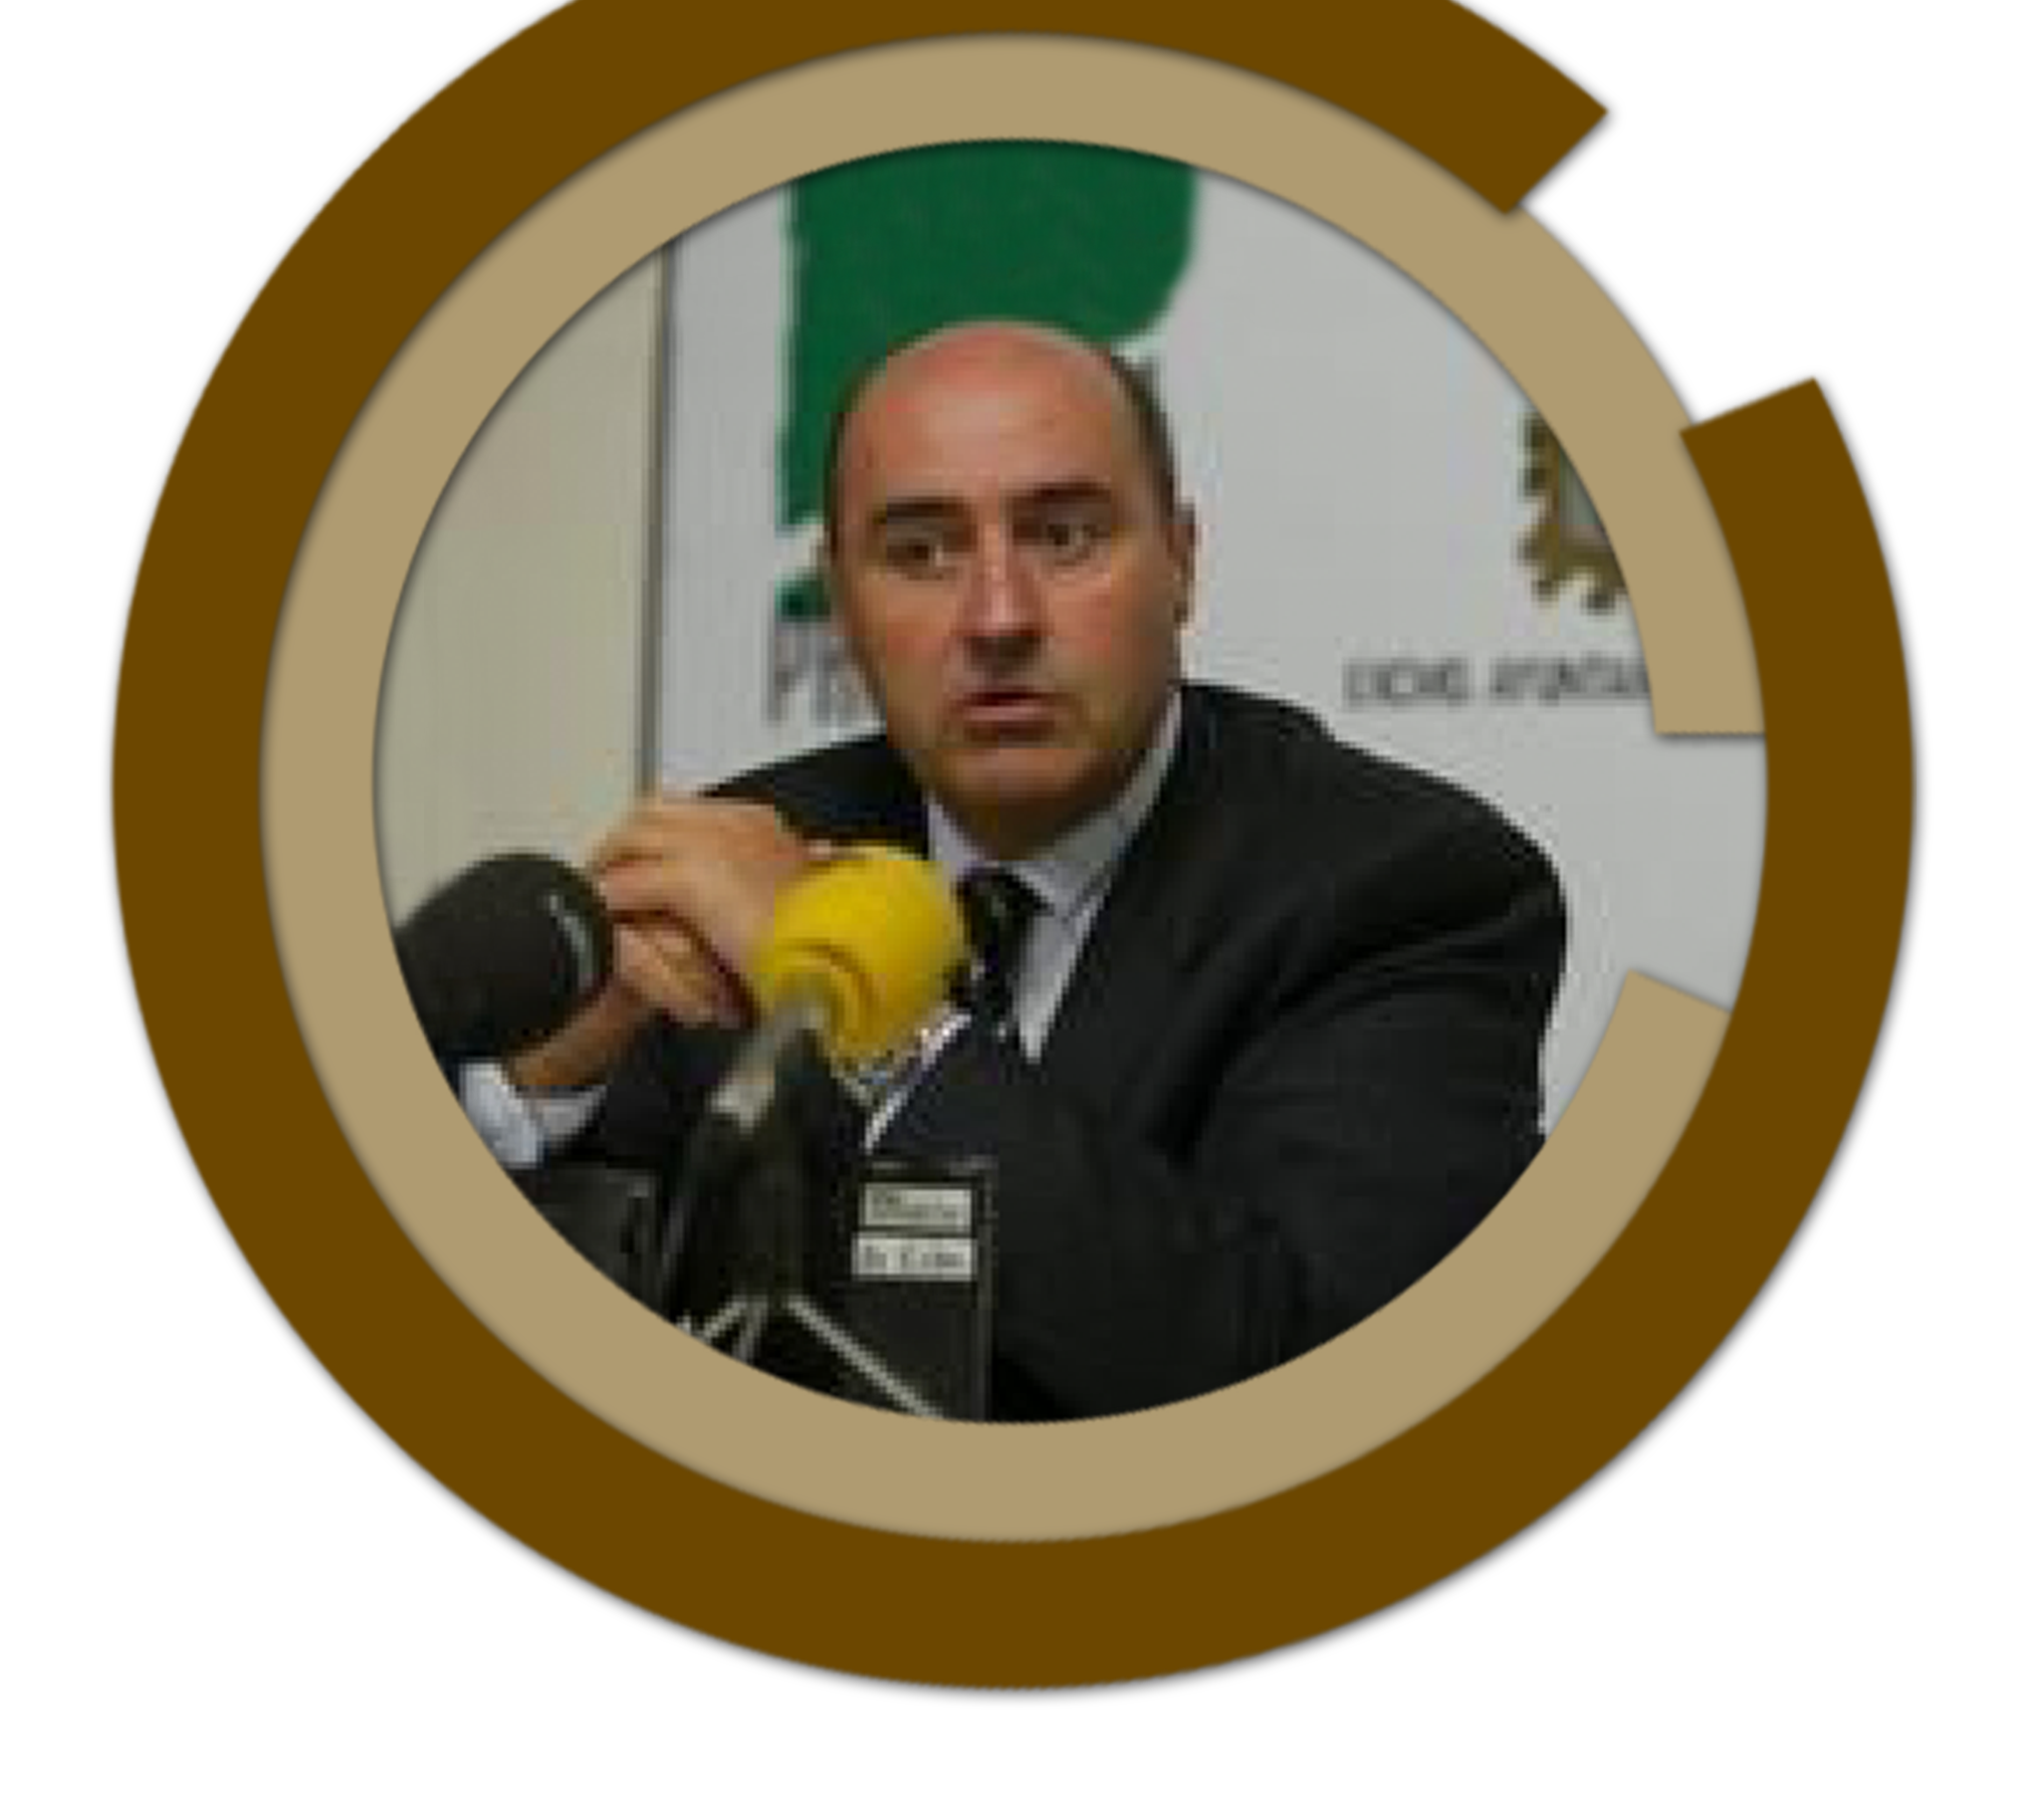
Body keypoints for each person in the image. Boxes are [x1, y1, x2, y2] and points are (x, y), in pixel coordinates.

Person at [474, 320, 1565, 1421]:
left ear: (1181, 561)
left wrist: (877, 1022)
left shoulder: (1400, 888)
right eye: (921, 553)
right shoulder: (742, 856)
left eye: (1063, 536)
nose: (998, 617)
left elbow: (1306, 1373)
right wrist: (544, 1090)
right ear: (841, 601)